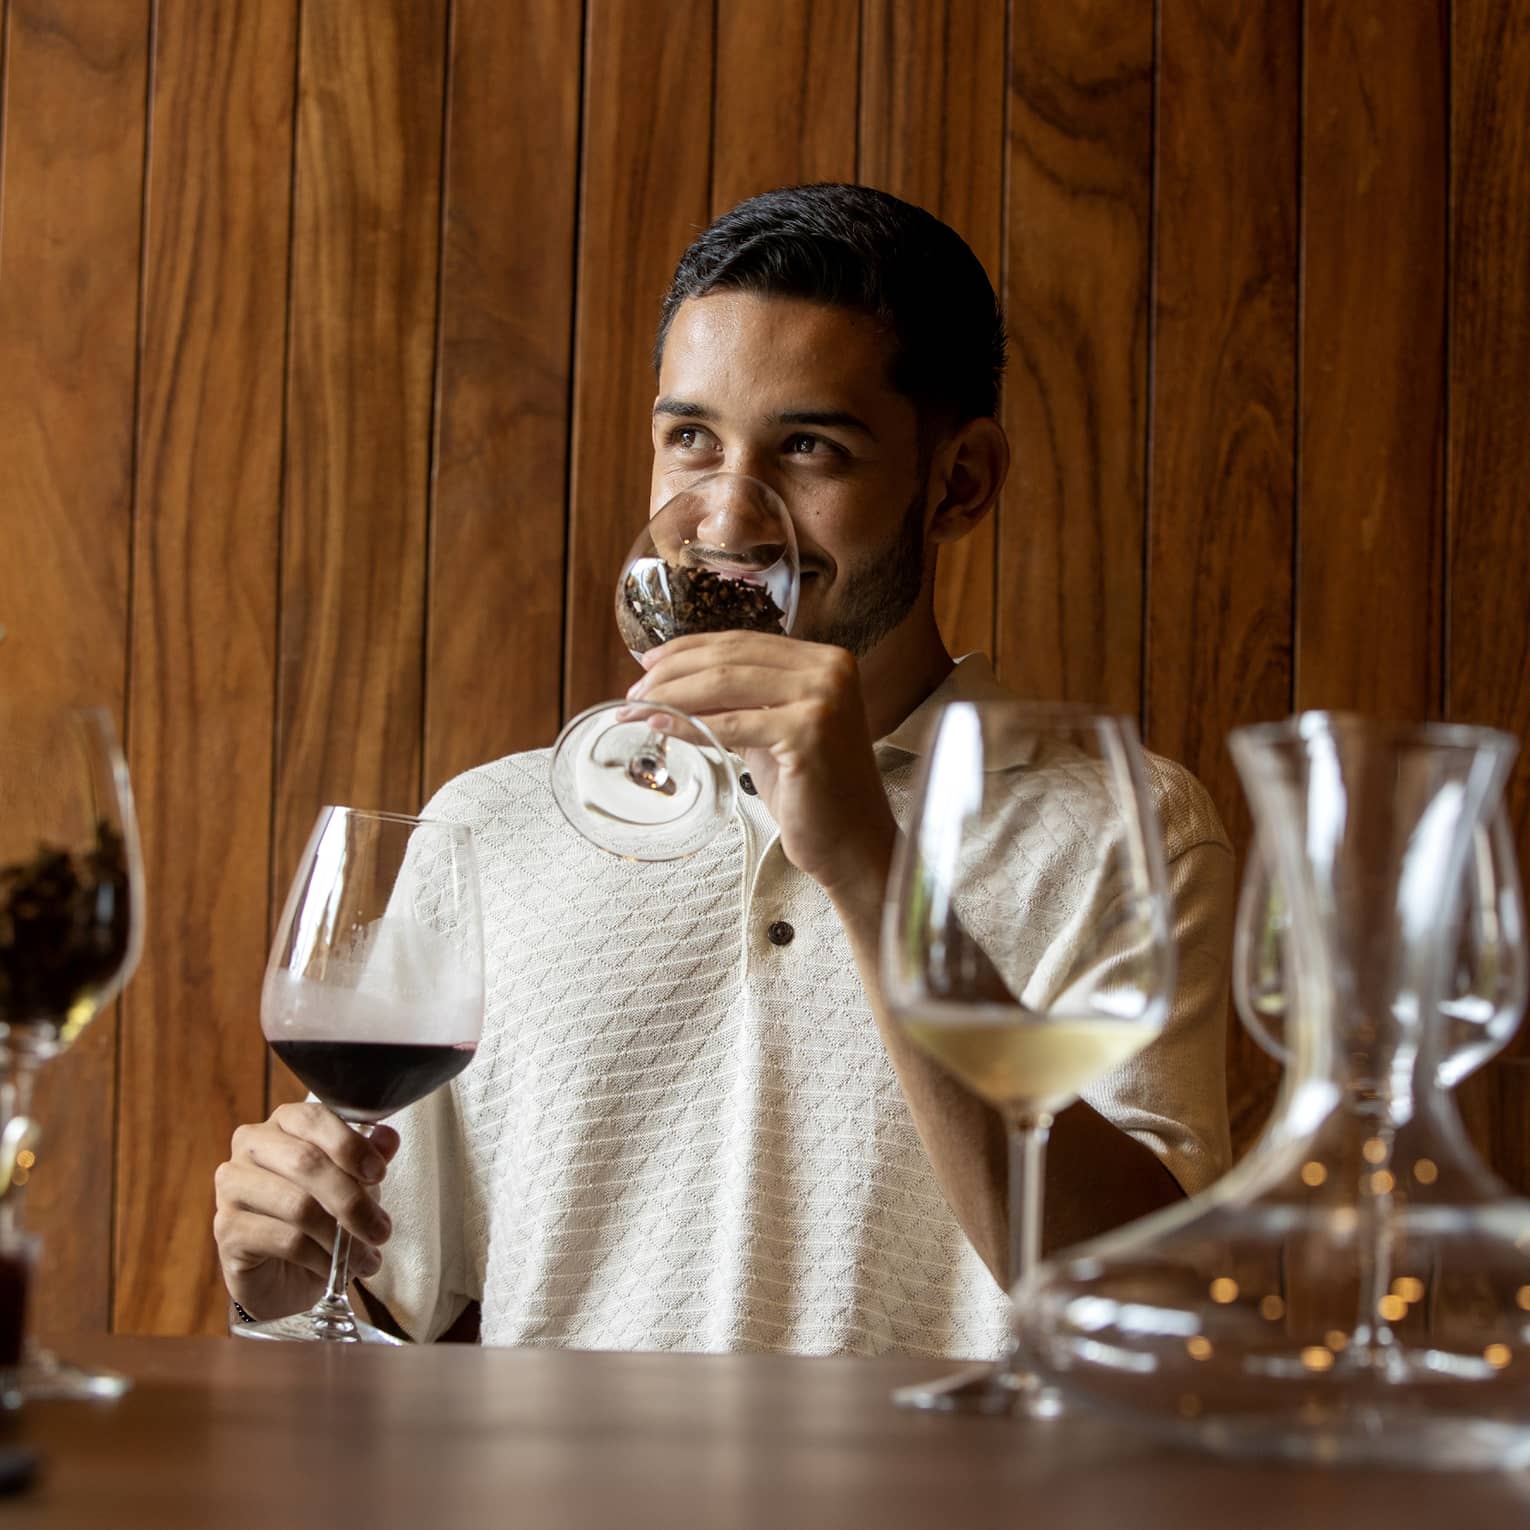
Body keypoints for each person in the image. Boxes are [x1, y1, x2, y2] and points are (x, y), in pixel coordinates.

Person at [214, 184, 1233, 1358]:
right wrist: (277, 1282)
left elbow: (1157, 1302)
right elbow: (386, 1312)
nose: (727, 517)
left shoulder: (1123, 831)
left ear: (960, 482)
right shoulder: (489, 826)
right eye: (690, 437)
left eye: (809, 447)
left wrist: (866, 860)